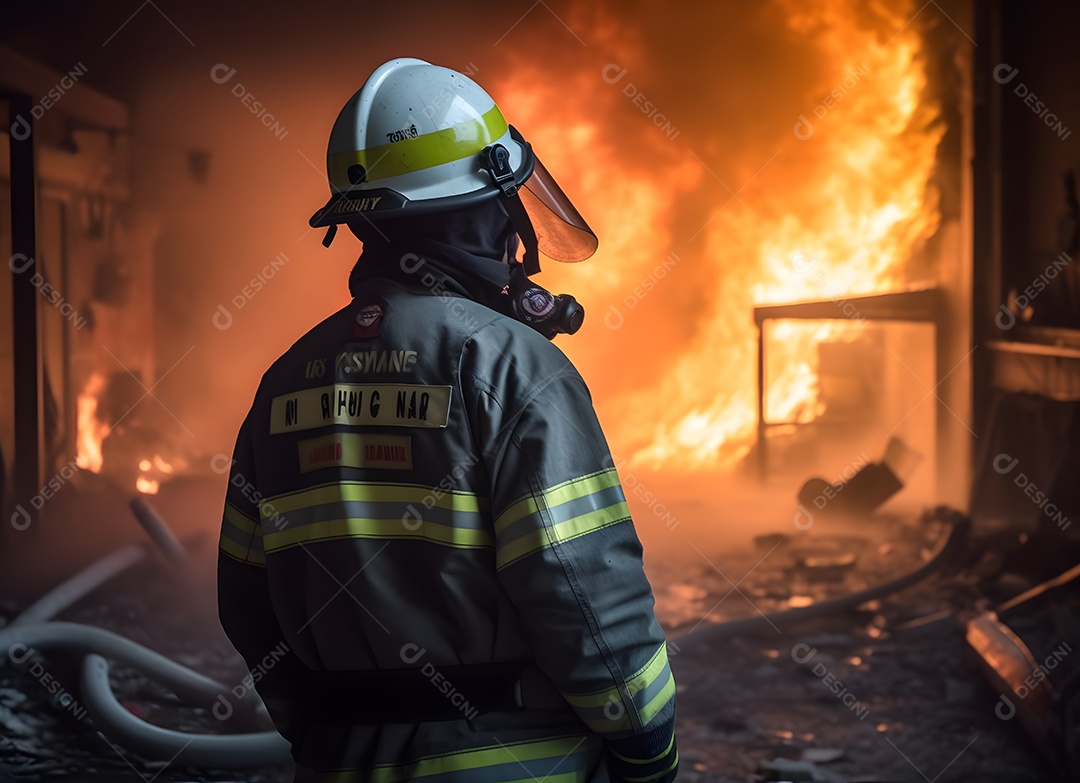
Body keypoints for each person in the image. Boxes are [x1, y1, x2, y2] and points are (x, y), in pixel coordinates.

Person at [217, 57, 678, 783]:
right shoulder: (513, 367)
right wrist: (649, 749)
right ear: (488, 206)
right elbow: (583, 595)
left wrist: (326, 729)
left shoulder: (283, 383)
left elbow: (246, 603)